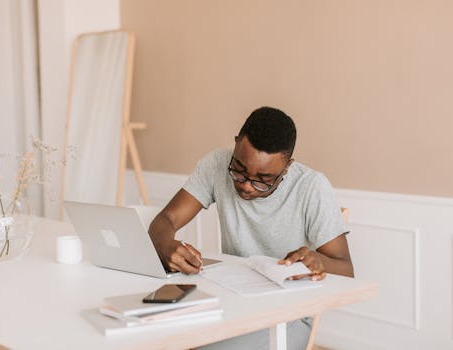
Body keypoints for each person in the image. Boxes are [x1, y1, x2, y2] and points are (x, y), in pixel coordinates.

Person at [149, 106, 354, 349]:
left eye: (264, 181)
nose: (247, 186)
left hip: (288, 314)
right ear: (236, 143)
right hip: (230, 300)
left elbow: (346, 269)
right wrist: (165, 245)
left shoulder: (312, 187)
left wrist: (320, 262)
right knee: (155, 335)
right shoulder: (215, 164)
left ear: (287, 167)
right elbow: (166, 220)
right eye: (239, 171)